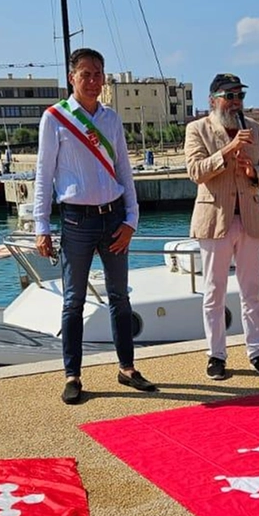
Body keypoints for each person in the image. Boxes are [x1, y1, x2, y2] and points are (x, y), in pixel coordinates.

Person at [33, 48, 155, 404]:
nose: (93, 81)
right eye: (85, 74)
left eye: (98, 74)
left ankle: (127, 368)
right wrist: (42, 225)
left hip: (114, 216)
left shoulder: (112, 119)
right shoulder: (54, 118)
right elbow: (44, 175)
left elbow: (124, 172)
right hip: (76, 220)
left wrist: (132, 219)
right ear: (72, 77)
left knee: (120, 297)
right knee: (73, 301)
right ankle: (72, 375)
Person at [185, 73, 259, 380]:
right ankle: (216, 355)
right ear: (213, 100)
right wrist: (227, 150)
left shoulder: (255, 129)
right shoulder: (197, 129)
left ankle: (257, 351)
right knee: (214, 292)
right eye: (229, 96)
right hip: (214, 220)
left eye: (240, 96)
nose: (236, 102)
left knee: (252, 291)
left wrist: (255, 173)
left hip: (249, 218)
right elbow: (196, 172)